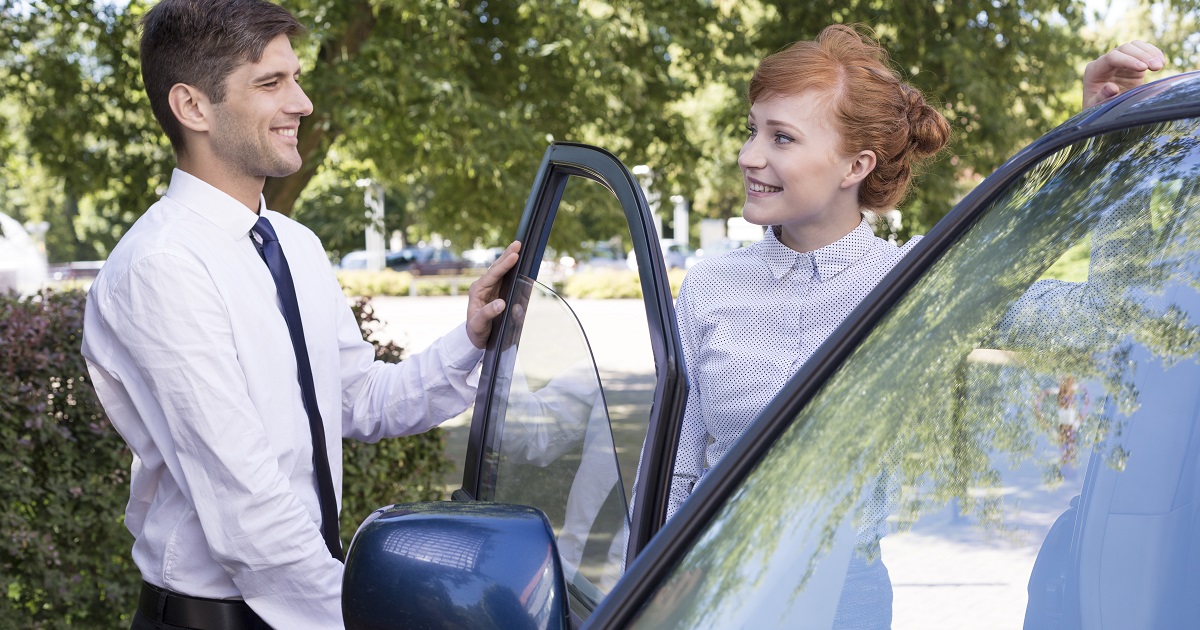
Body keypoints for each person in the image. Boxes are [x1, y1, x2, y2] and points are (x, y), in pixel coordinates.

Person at [664, 24, 1166, 628]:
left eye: (782, 137)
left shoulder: (920, 283)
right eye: (753, 130)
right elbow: (678, 463)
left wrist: (1108, 145)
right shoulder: (710, 282)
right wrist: (645, 593)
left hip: (843, 597)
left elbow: (1102, 324)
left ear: (857, 164)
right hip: (708, 588)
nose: (749, 155)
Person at [80, 1, 518, 628]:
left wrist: (472, 339)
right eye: (271, 83)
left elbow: (359, 397)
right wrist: (354, 616)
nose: (303, 103)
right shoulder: (161, 267)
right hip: (217, 617)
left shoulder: (293, 244)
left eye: (296, 77)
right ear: (193, 107)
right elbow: (246, 509)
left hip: (302, 603)